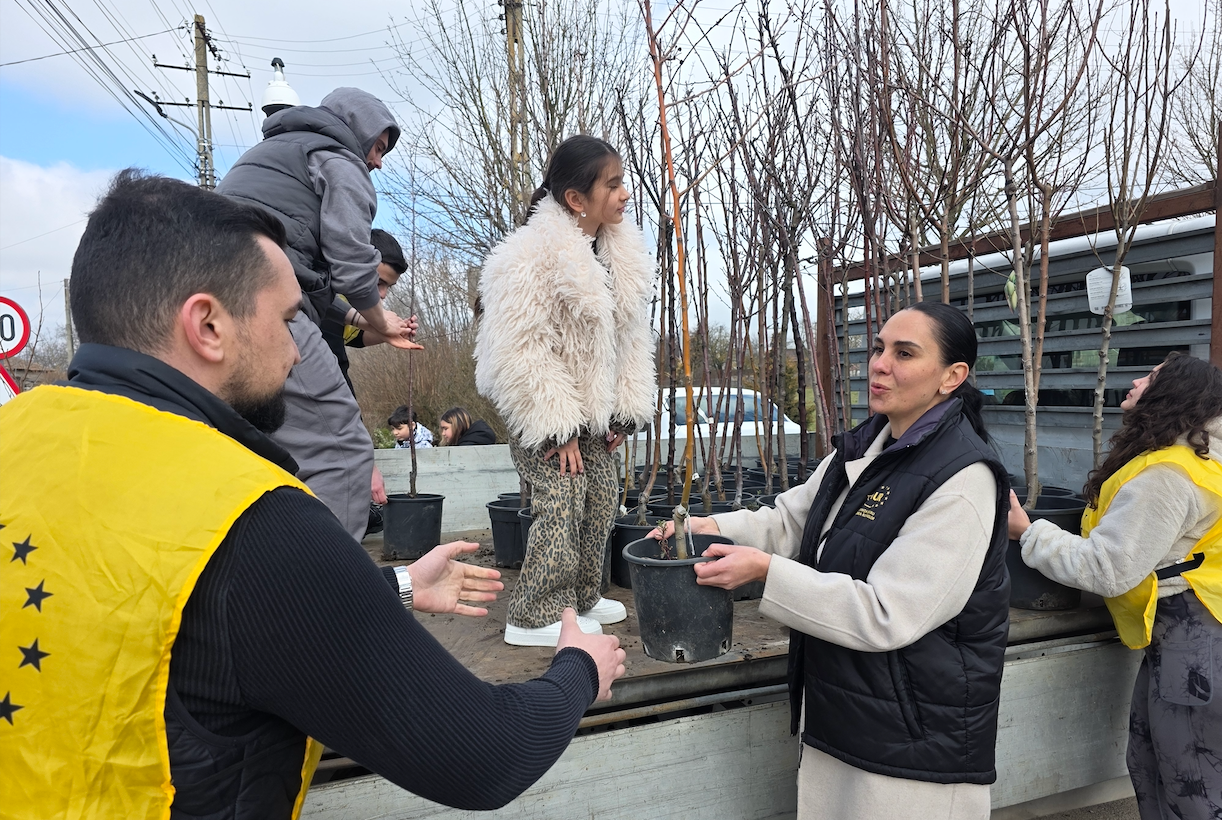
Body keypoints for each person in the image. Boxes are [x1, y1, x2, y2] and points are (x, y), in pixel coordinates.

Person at [0, 171, 626, 819]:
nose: (299, 353)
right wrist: (578, 670)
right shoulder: (247, 516)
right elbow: (485, 755)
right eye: (287, 320)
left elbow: (156, 611)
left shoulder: (18, 442)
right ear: (207, 325)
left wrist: (392, 587)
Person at [655, 301, 1010, 818]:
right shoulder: (864, 449)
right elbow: (791, 520)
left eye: (904, 353)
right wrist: (708, 527)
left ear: (952, 377)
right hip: (846, 712)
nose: (879, 364)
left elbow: (888, 613)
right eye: (879, 348)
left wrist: (766, 574)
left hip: (912, 747)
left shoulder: (963, 480)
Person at [1009, 352, 1222, 820]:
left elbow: (1108, 568)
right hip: (1188, 638)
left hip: (1194, 643)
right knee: (1151, 763)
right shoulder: (1196, 459)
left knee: (1191, 784)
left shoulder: (1169, 475)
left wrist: (1027, 532)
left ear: (1173, 394)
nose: (1136, 379)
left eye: (1151, 377)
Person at [474, 135, 657, 647]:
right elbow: (518, 351)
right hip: (544, 411)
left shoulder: (618, 256)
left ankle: (579, 597)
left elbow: (630, 341)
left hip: (593, 412)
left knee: (601, 495)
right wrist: (559, 427)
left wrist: (624, 411)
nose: (624, 194)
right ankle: (534, 614)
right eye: (612, 185)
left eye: (622, 183)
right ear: (576, 198)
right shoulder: (527, 257)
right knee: (562, 495)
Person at [217, 87, 419, 542]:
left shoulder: (268, 155)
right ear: (356, 130)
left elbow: (311, 282)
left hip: (203, 310)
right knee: (343, 449)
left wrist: (363, 320)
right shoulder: (339, 159)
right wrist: (379, 317)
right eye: (377, 148)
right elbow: (351, 259)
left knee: (250, 450)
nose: (378, 162)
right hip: (258, 304)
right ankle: (332, 579)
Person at [324, 228, 410, 391]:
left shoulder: (345, 307)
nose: (383, 294)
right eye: (378, 283)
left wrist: (389, 333)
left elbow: (355, 338)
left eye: (389, 287)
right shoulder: (322, 298)